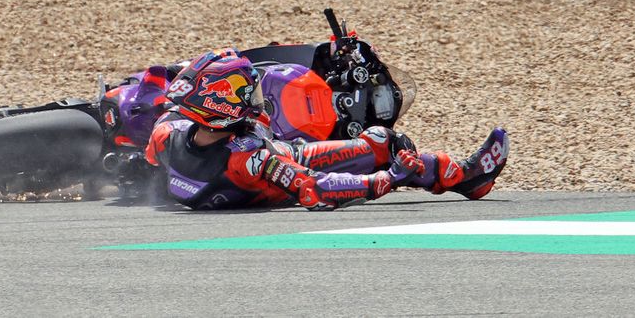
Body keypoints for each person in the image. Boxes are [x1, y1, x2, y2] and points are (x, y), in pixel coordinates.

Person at [142, 49, 509, 210]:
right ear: (223, 105)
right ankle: (468, 177)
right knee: (383, 141)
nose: (255, 98)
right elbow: (314, 190)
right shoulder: (250, 159)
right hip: (288, 168)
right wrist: (385, 180)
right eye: (248, 92)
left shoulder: (167, 135)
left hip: (237, 178)